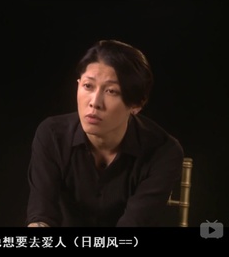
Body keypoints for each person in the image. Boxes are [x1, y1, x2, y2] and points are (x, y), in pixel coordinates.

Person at [25, 39, 184, 227]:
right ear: (78, 84)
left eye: (111, 91)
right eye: (88, 86)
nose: (94, 102)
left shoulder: (163, 151)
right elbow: (41, 214)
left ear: (136, 104)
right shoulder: (52, 134)